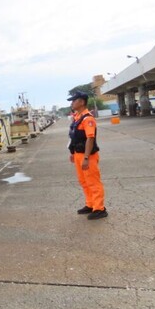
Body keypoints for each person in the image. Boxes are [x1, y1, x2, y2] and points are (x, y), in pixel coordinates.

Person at [67, 91, 107, 220]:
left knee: (93, 182)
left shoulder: (87, 118)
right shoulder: (77, 118)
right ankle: (90, 204)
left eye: (74, 100)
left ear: (82, 102)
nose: (72, 103)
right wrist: (72, 152)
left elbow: (90, 139)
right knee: (84, 181)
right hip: (78, 154)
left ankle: (99, 208)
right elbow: (74, 138)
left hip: (87, 156)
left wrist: (85, 157)